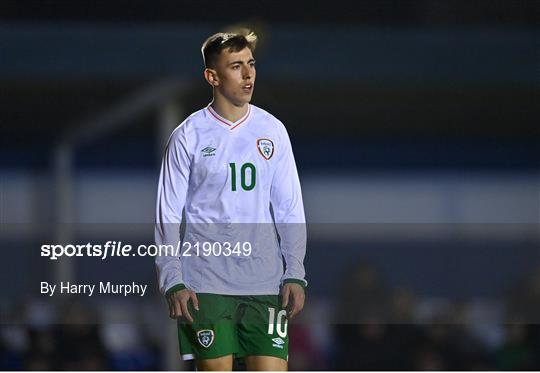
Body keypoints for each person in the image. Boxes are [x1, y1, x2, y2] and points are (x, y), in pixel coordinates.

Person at [154, 29, 307, 371]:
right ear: (212, 76)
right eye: (236, 66)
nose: (248, 73)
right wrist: (172, 278)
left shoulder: (272, 130)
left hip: (264, 284)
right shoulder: (188, 135)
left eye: (250, 64)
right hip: (206, 285)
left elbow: (289, 208)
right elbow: (167, 213)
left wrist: (294, 272)